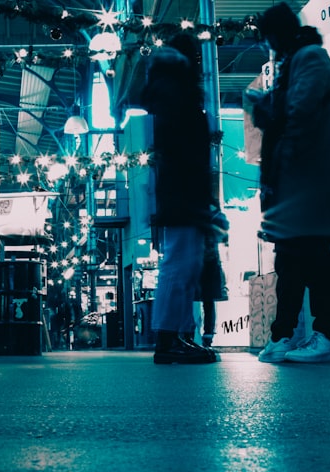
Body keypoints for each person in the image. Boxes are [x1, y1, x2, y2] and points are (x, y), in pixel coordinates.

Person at [249, 3, 330, 364]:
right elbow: (290, 111)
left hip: (308, 180)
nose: (268, 46)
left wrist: (268, 112)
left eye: (269, 38)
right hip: (299, 183)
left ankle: (323, 335)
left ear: (278, 33)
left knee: (311, 259)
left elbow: (299, 111)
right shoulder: (297, 61)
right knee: (292, 260)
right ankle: (286, 335)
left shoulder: (310, 59)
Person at [137, 33, 216, 365]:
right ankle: (169, 338)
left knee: (185, 266)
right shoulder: (177, 89)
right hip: (184, 190)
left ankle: (179, 335)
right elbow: (184, 148)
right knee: (179, 265)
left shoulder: (170, 87)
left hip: (182, 189)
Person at [197, 205, 229, 349]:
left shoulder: (204, 211)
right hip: (207, 260)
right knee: (207, 301)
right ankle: (206, 337)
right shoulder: (213, 212)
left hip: (198, 260)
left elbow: (224, 231)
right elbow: (224, 231)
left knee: (203, 300)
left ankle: (200, 336)